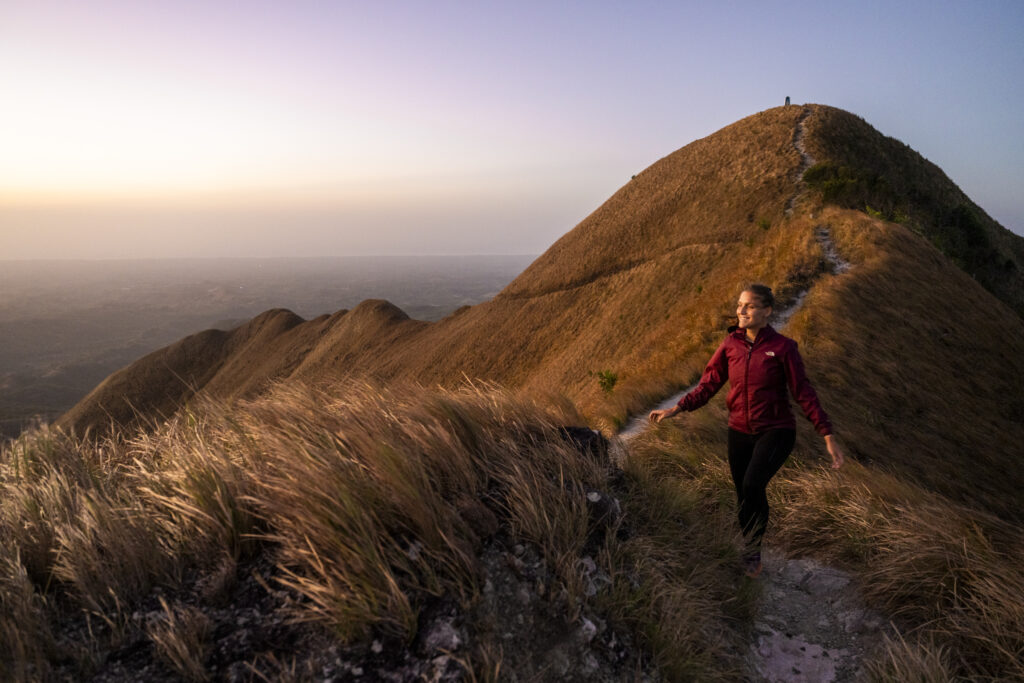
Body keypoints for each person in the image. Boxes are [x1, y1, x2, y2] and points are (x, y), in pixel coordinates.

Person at [649, 284, 846, 578]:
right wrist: (676, 409)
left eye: (750, 306)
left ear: (767, 310)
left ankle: (753, 551)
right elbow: (709, 384)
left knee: (753, 485)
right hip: (738, 431)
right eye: (740, 305)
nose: (741, 311)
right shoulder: (731, 344)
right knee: (743, 493)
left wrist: (826, 434)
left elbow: (803, 392)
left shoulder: (783, 348)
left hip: (776, 430)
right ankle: (750, 545)